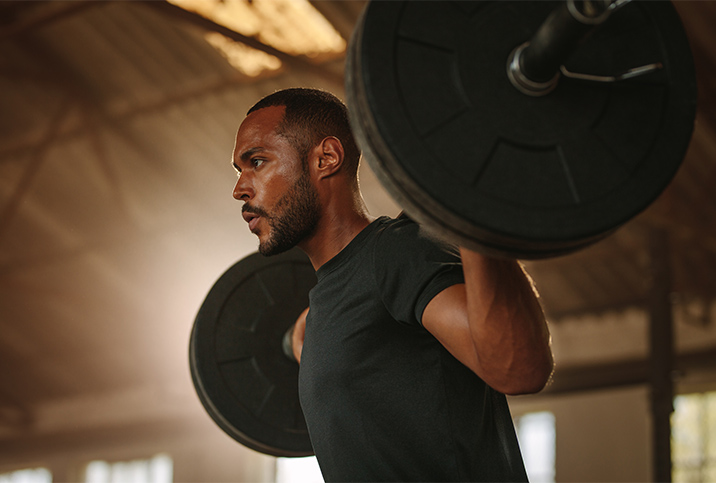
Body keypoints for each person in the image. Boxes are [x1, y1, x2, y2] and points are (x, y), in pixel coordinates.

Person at [231, 87, 553, 482]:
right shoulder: (326, 306)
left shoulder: (397, 253)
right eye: (239, 171)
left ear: (326, 158)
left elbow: (519, 368)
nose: (240, 189)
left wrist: (470, 205)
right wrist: (306, 334)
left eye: (257, 162)